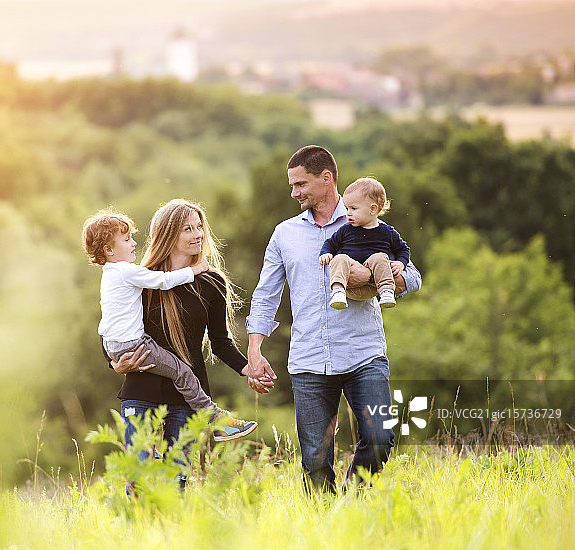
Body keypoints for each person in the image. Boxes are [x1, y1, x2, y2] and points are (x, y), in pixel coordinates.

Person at [245, 146, 422, 494]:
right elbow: (266, 295)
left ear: (326, 178)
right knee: (315, 459)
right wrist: (254, 349)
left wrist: (370, 278)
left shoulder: (370, 222)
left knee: (380, 437)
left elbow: (413, 277)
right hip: (309, 359)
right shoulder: (284, 234)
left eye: (300, 184)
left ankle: (351, 506)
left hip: (364, 353)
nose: (294, 193)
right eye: (292, 185)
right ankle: (325, 521)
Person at [82, 207, 257, 442]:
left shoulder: (211, 282)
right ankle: (215, 418)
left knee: (178, 467)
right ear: (169, 234)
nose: (198, 234)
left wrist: (248, 368)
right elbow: (112, 324)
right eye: (188, 229)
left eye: (199, 227)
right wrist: (115, 364)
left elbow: (220, 342)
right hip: (141, 393)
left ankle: (216, 419)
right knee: (140, 465)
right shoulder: (144, 278)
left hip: (186, 399)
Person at [318, 177, 411, 310]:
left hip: (374, 287)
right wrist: (326, 253)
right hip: (350, 285)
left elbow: (403, 249)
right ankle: (338, 291)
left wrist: (401, 263)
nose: (348, 213)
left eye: (353, 208)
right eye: (347, 208)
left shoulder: (387, 232)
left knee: (380, 257)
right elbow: (330, 243)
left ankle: (387, 292)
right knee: (340, 258)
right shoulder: (346, 229)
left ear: (373, 209)